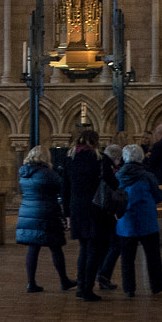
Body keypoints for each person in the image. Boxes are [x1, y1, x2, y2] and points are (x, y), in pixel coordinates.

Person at [115, 143, 162, 296]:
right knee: (153, 256)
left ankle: (129, 289)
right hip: (147, 221)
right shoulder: (147, 175)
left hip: (126, 222)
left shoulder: (118, 176)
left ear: (125, 157)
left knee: (127, 259)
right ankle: (156, 285)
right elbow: (158, 196)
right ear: (140, 157)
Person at [16, 144, 73, 293]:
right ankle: (64, 280)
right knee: (56, 248)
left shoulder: (23, 173)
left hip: (28, 211)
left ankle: (31, 283)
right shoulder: (47, 173)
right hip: (46, 213)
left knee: (33, 248)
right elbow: (61, 187)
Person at [63, 125, 106, 299]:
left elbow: (64, 188)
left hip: (76, 207)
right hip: (94, 208)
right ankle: (87, 289)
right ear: (95, 142)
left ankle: (81, 286)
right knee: (93, 250)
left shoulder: (70, 159)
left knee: (83, 249)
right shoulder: (98, 159)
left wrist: (67, 214)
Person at [94, 144, 124, 290]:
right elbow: (110, 190)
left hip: (98, 211)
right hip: (105, 212)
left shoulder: (99, 165)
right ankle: (103, 275)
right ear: (116, 158)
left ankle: (102, 275)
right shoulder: (108, 169)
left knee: (103, 245)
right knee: (115, 244)